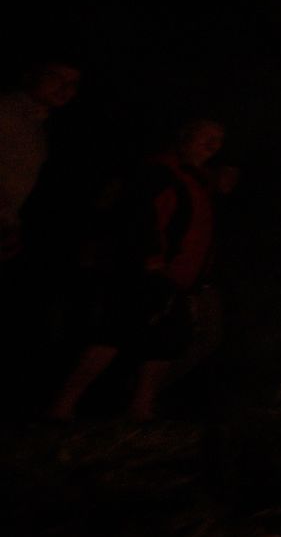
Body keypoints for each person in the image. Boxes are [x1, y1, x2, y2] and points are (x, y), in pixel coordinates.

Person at [47, 118, 225, 421]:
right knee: (112, 335)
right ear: (184, 137)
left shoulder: (197, 180)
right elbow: (141, 215)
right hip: (145, 272)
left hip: (178, 278)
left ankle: (141, 409)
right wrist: (150, 259)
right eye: (205, 136)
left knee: (164, 343)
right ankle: (61, 406)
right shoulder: (160, 171)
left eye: (218, 139)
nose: (212, 144)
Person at [0, 59, 81, 262]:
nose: (65, 88)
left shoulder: (38, 125)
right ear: (31, 74)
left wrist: (10, 224)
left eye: (72, 83)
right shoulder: (7, 112)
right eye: (55, 77)